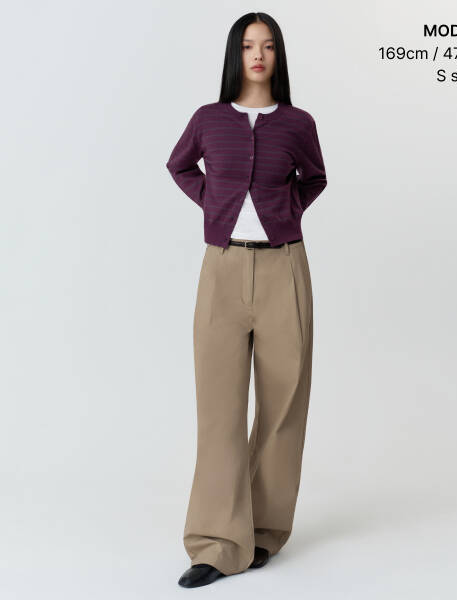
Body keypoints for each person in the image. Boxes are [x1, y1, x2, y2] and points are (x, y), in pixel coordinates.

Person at [166, 11, 327, 588]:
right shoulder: (208, 119)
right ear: (235, 54)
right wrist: (215, 201)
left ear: (278, 56)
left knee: (283, 406)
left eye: (268, 46)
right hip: (223, 270)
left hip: (285, 267)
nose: (257, 55)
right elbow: (179, 165)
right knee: (220, 411)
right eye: (247, 46)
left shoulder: (298, 123)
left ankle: (262, 532)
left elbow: (315, 177)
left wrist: (285, 210)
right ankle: (215, 543)